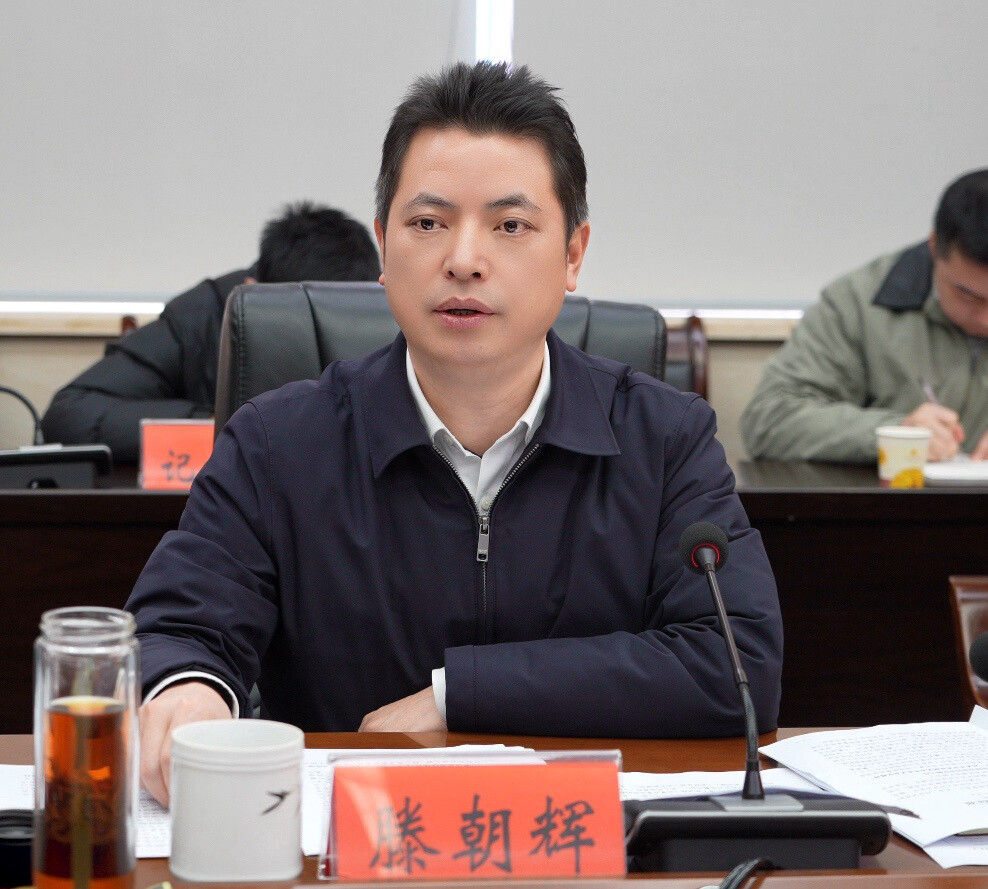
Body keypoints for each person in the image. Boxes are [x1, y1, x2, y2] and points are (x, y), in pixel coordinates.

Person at [128, 62, 783, 806]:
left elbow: (735, 661)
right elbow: (180, 627)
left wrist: (459, 694)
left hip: (580, 844)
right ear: (384, 246)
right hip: (344, 844)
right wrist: (185, 689)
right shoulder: (278, 445)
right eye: (428, 223)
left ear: (573, 254)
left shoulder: (662, 439)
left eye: (510, 226)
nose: (464, 260)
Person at [40, 202, 381, 463]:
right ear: (254, 289)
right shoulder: (203, 316)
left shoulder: (386, 314)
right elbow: (71, 414)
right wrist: (228, 423)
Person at [741, 169, 988, 464]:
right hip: (894, 492)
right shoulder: (859, 303)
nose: (985, 319)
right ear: (934, 247)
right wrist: (895, 433)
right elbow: (769, 420)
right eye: (968, 296)